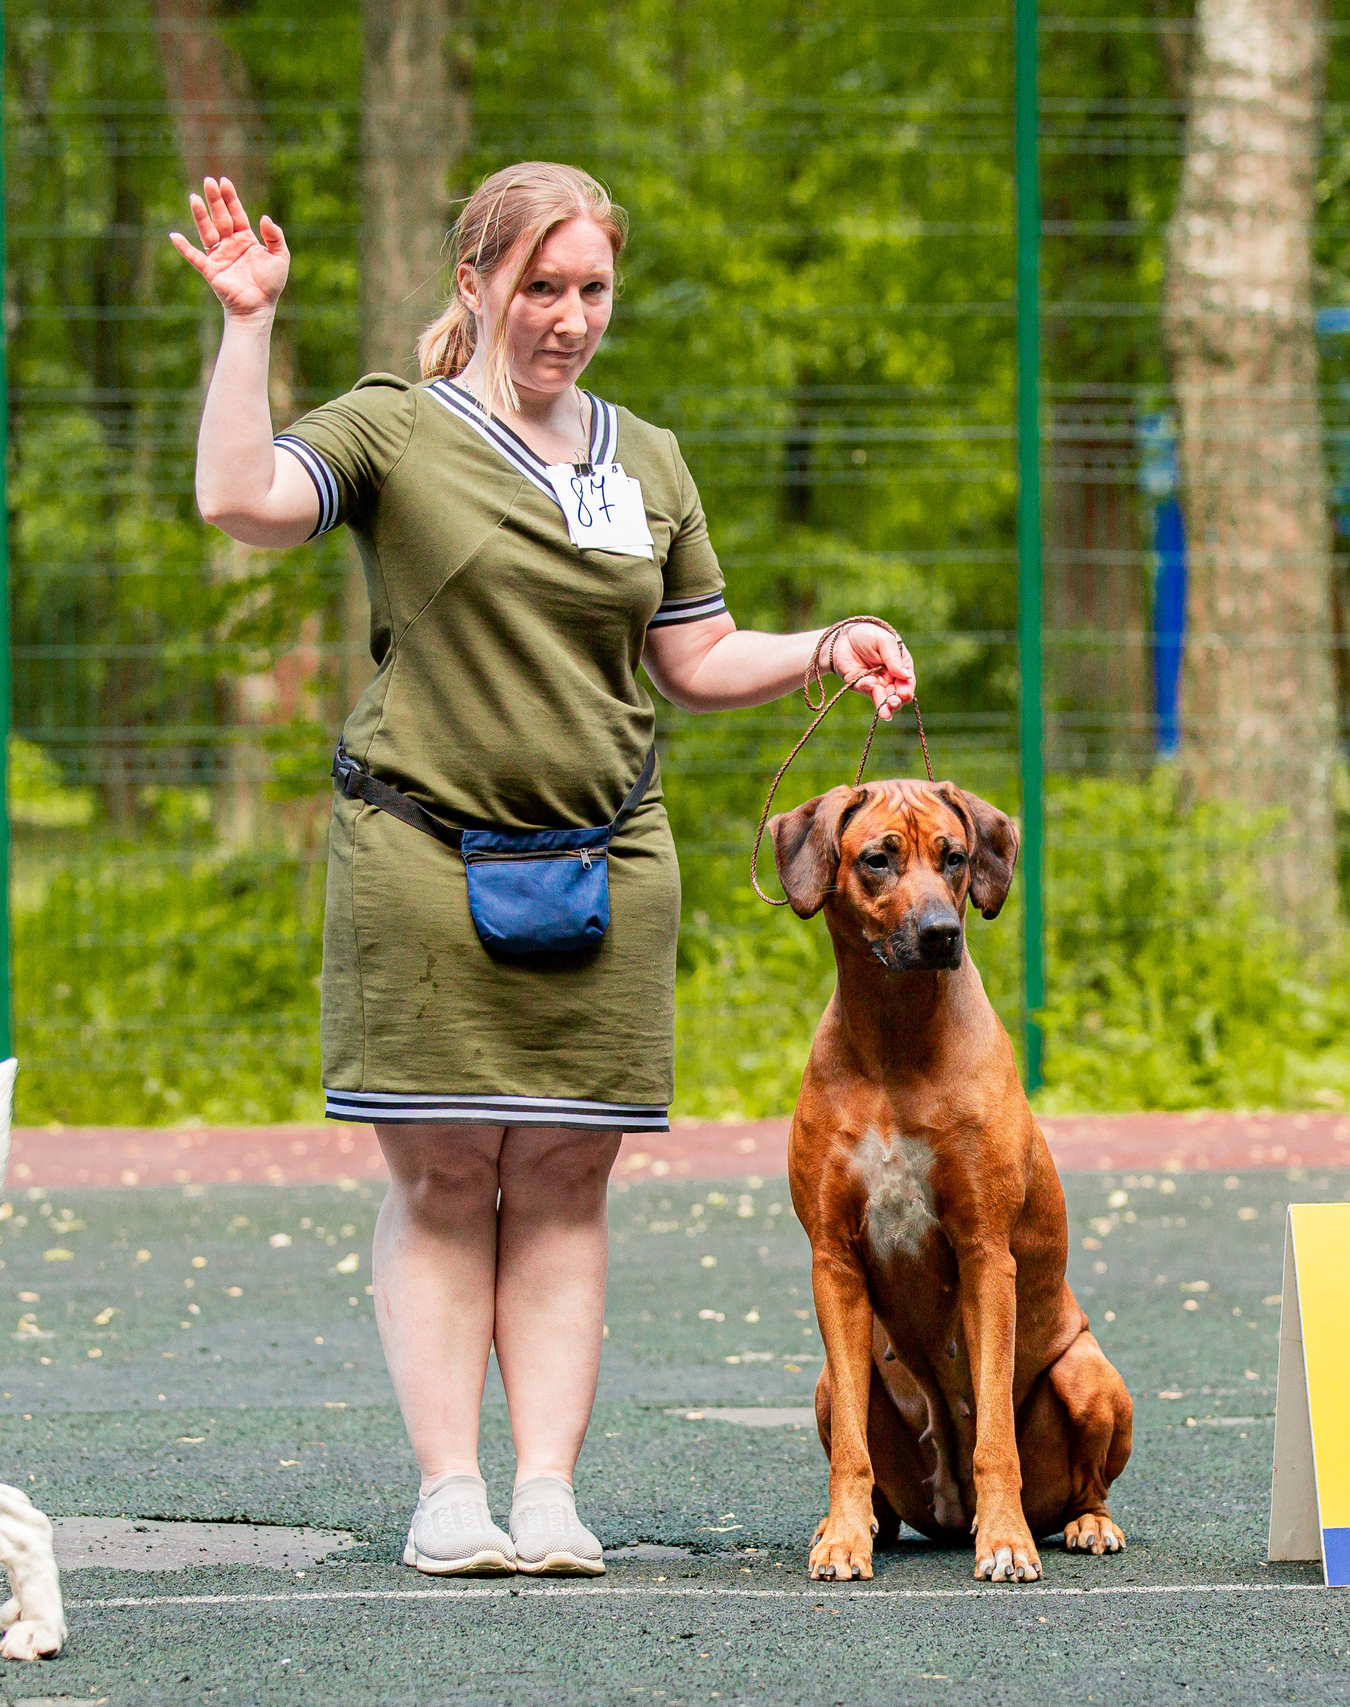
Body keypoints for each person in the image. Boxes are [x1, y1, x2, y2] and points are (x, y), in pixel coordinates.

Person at [172, 163, 915, 1575]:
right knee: (450, 1174)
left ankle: (550, 1491)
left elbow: (695, 654)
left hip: (608, 862)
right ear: (475, 283)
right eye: (541, 287)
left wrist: (826, 644)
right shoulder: (398, 428)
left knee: (569, 1179)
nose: (570, 317)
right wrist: (248, 325)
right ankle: (451, 1492)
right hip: (421, 852)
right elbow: (241, 499)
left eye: (592, 290)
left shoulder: (646, 458)